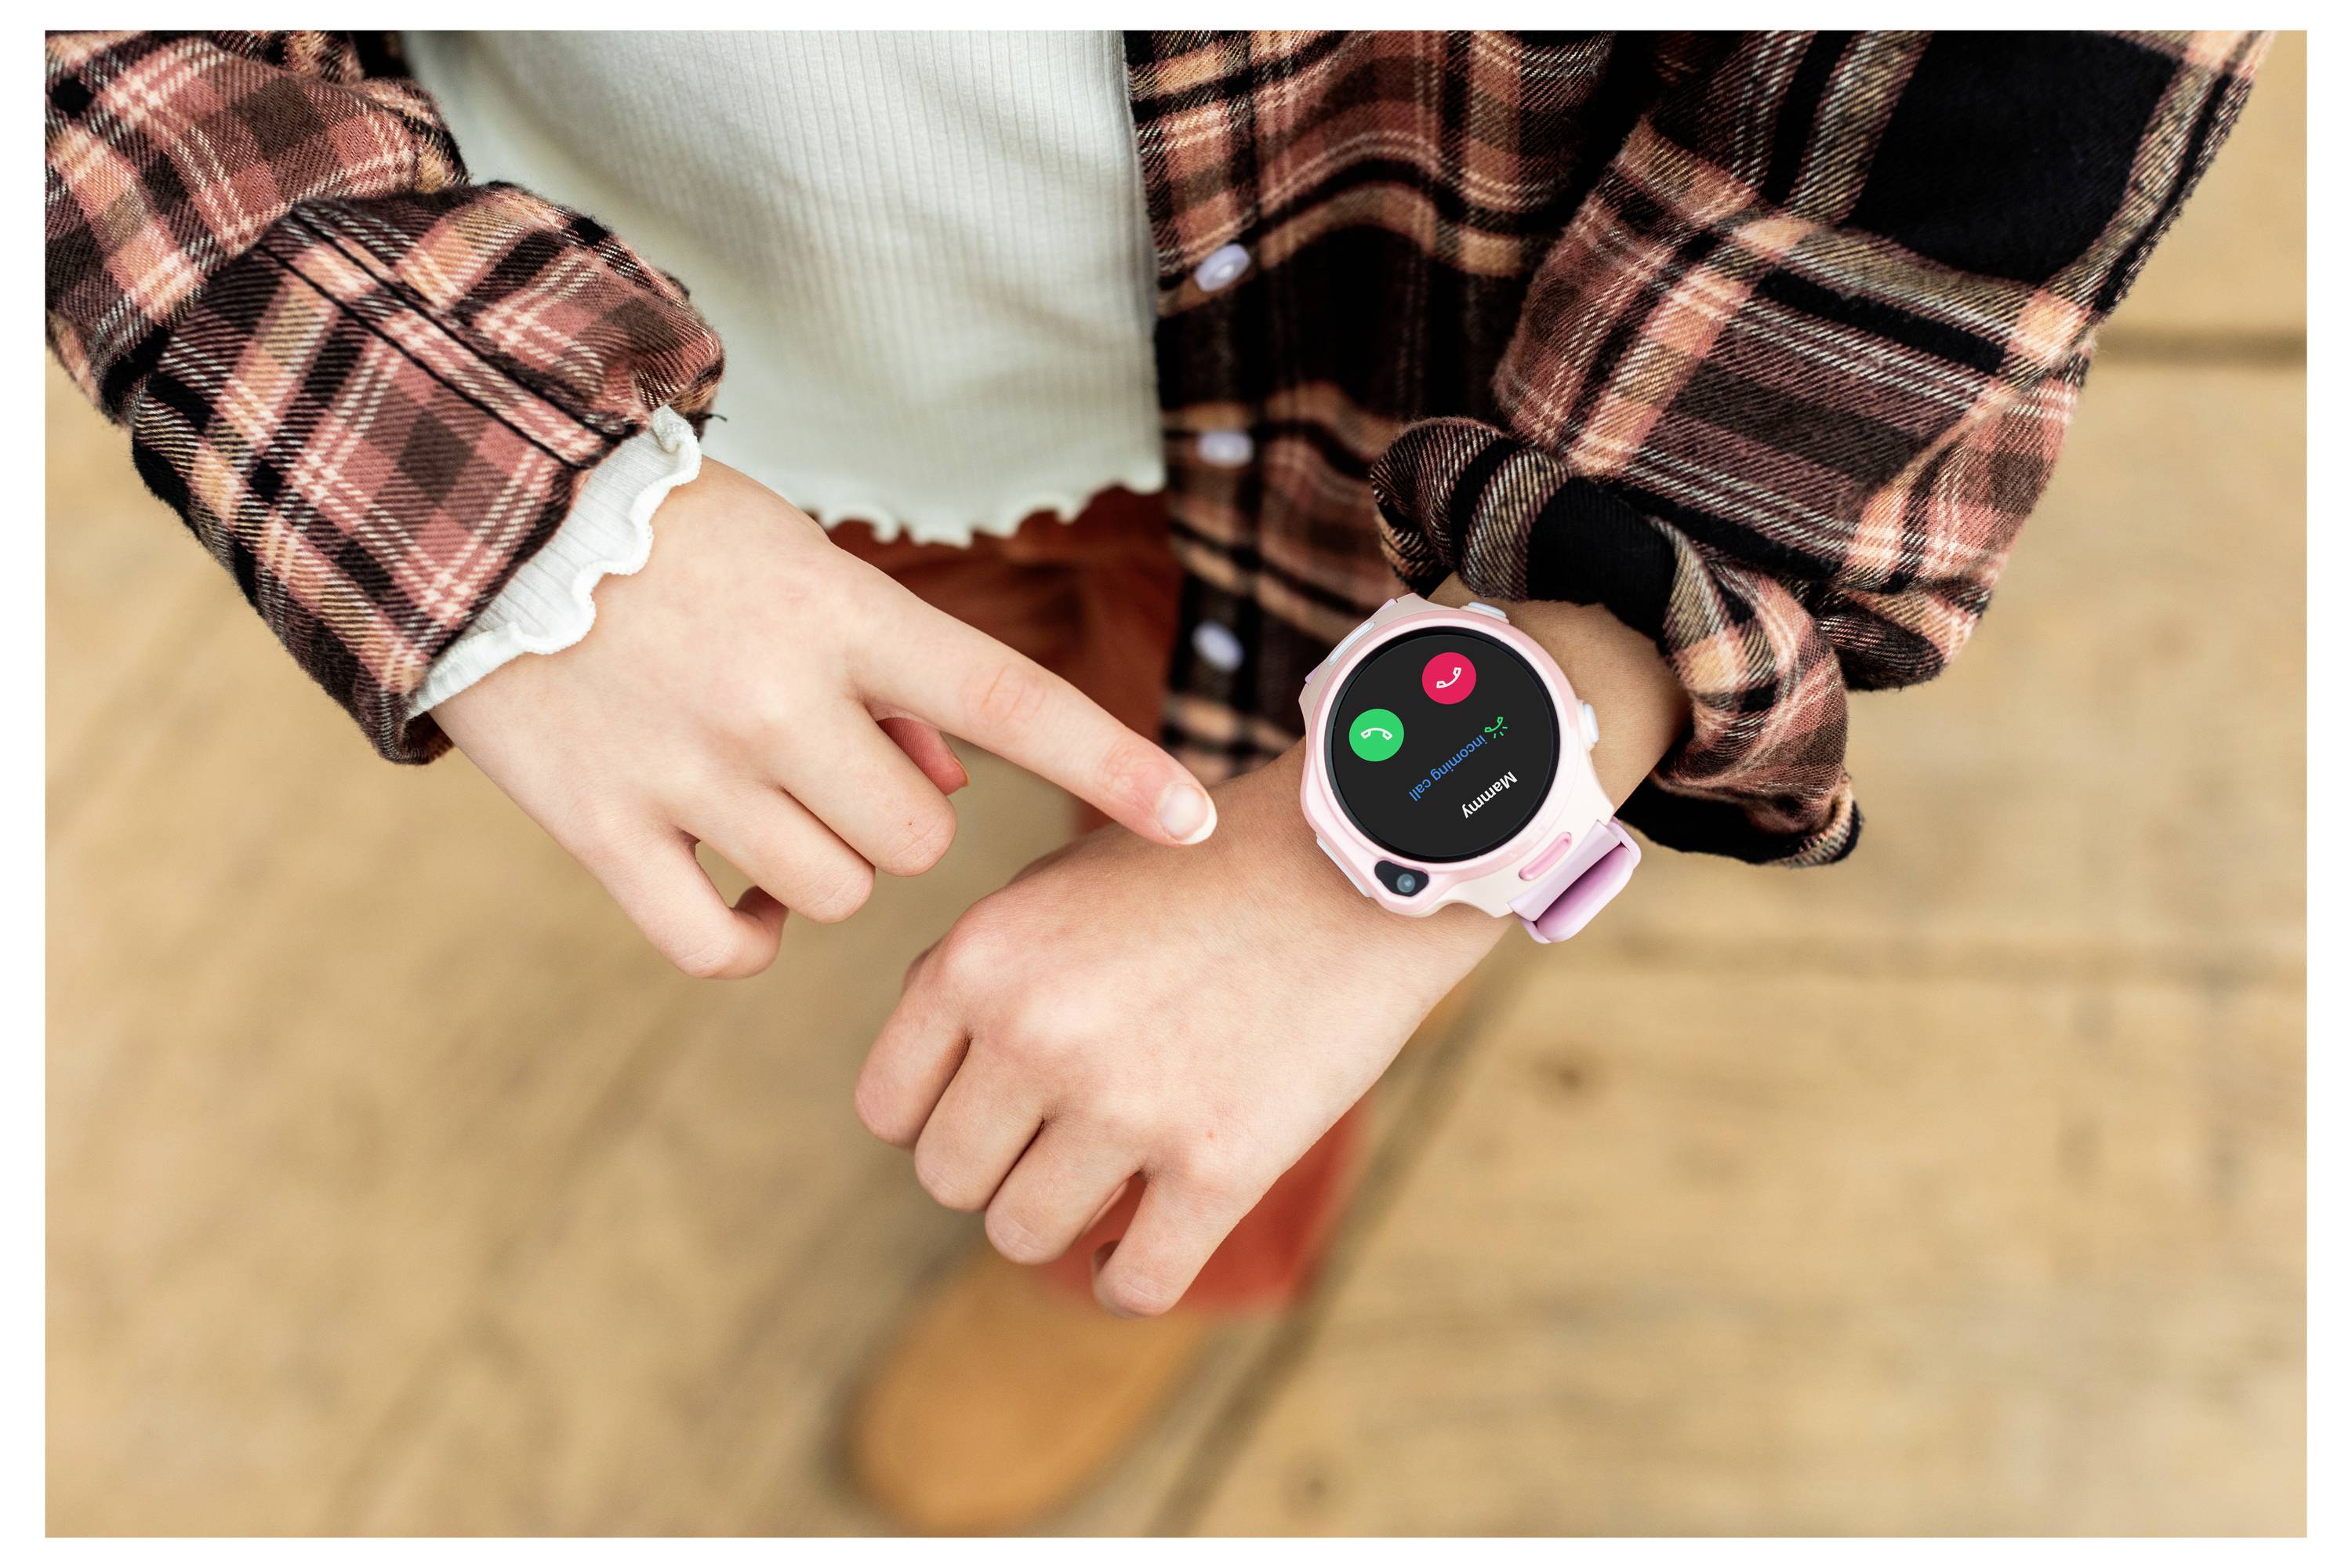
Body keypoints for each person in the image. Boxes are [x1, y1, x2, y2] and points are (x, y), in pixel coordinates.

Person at [46, 28, 2270, 1532]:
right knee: (916, 799)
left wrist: (1466, 790)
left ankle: (1168, 1238)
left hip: (1392, 396)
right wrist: (509, 503)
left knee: (1231, 1003)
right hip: (668, 367)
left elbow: (2005, 91)